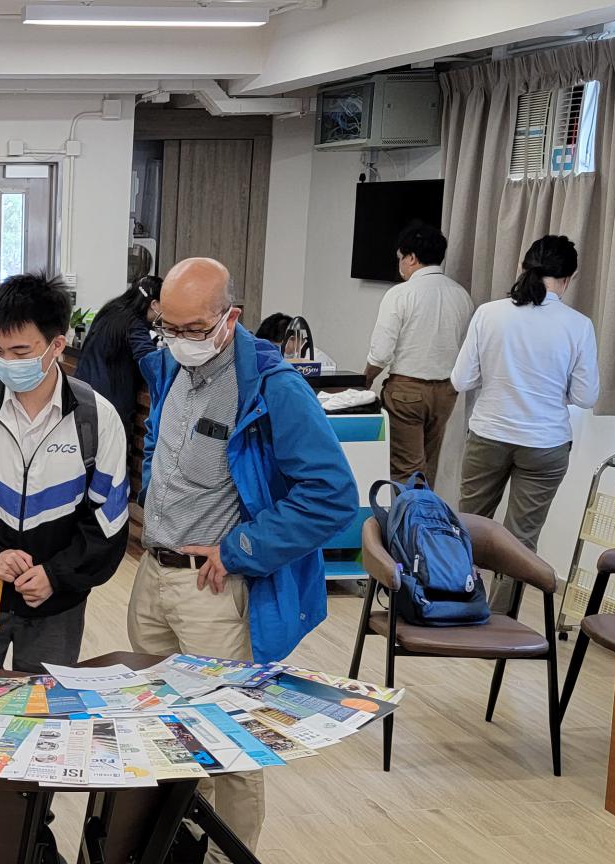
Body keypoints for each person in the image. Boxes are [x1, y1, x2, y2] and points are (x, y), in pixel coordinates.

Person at [130, 258, 357, 861]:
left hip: (213, 591)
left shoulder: (273, 387)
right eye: (168, 328)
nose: (180, 341)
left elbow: (332, 495)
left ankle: (227, 854)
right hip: (153, 577)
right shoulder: (169, 365)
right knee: (164, 729)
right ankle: (181, 845)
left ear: (229, 318)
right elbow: (159, 446)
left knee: (226, 741)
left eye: (194, 329)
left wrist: (240, 549)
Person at [0, 273, 130, 673]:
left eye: (21, 351)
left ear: (58, 345)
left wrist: (56, 575)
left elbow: (108, 520)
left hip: (55, 604)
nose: (7, 362)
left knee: (44, 703)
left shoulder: (97, 418)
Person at [452, 235, 598, 613]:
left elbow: (461, 380)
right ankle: (501, 623)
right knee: (520, 541)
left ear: (523, 267)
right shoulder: (578, 325)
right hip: (546, 444)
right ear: (567, 279)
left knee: (467, 526)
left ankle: (455, 605)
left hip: (488, 435)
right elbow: (586, 396)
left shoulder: (489, 314)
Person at [364, 224, 474, 483]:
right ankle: (425, 508)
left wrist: (365, 381)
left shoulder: (400, 294)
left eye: (400, 258)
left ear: (411, 257)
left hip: (406, 392)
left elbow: (381, 352)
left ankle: (408, 511)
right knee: (428, 465)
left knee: (405, 469)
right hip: (446, 392)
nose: (400, 265)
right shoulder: (461, 295)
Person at [72, 275, 161, 441]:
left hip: (83, 394)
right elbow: (152, 364)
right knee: (111, 454)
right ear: (155, 304)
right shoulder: (134, 323)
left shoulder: (111, 310)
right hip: (110, 404)